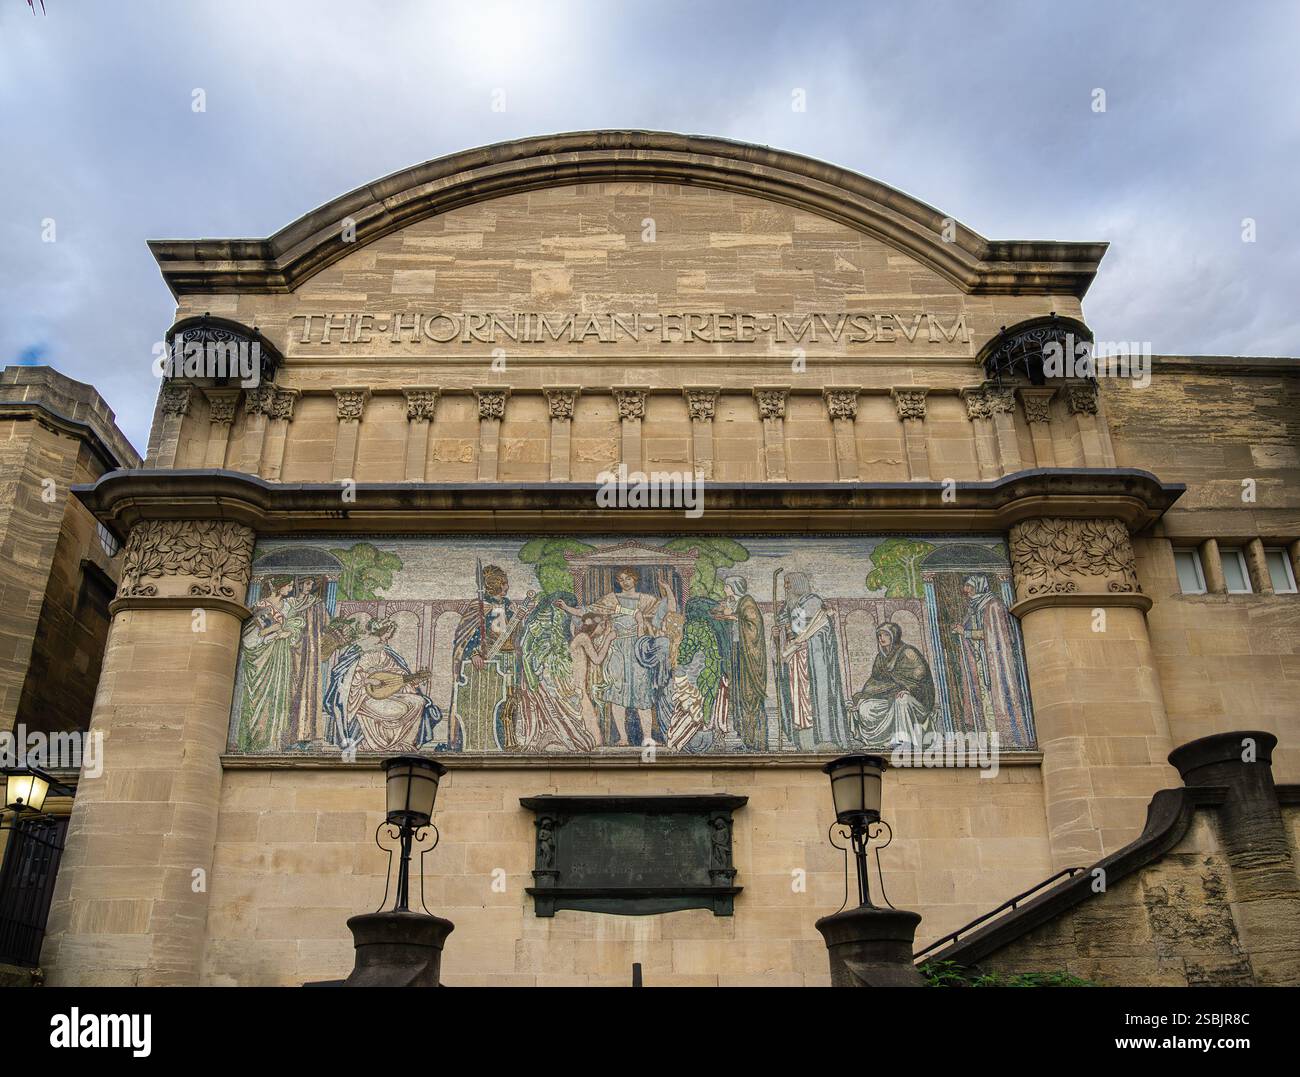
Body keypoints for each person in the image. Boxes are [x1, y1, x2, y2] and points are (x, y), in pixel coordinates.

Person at [449, 564, 536, 751]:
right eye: (504, 583)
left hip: (511, 658)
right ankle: (487, 740)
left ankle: (510, 741)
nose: (507, 586)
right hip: (490, 660)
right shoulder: (479, 606)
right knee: (490, 700)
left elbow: (513, 632)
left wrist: (519, 619)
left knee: (511, 698)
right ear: (495, 584)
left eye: (506, 583)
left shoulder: (509, 605)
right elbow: (467, 636)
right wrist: (473, 653)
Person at [324, 617, 441, 751]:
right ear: (378, 633)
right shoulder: (357, 652)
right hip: (362, 696)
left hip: (387, 694)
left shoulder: (385, 652)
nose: (386, 640)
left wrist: (411, 682)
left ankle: (405, 743)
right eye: (385, 637)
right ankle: (377, 743)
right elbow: (347, 679)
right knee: (399, 710)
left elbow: (396, 674)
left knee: (419, 702)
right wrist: (368, 680)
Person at [773, 572, 846, 749]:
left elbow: (822, 630)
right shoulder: (787, 607)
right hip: (794, 659)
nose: (786, 587)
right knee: (796, 697)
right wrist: (778, 635)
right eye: (785, 584)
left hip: (812, 659)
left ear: (798, 583)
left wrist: (808, 643)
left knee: (813, 696)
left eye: (789, 583)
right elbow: (788, 632)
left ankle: (823, 737)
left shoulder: (812, 602)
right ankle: (802, 735)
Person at [952, 574, 1027, 741]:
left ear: (979, 586)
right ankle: (989, 736)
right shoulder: (975, 607)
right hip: (979, 660)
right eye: (966, 587)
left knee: (995, 696)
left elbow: (993, 634)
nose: (966, 590)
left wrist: (966, 632)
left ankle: (1005, 737)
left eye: (970, 586)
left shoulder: (993, 605)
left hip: (993, 663)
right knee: (984, 698)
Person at [235, 578, 302, 752]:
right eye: (288, 585)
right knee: (259, 696)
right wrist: (273, 633)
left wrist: (289, 632)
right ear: (279, 586)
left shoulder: (288, 607)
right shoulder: (260, 605)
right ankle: (256, 741)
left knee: (278, 694)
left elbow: (297, 625)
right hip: (262, 655)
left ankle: (275, 741)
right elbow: (253, 634)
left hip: (280, 656)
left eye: (291, 586)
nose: (290, 588)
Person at [847, 622, 936, 748]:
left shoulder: (908, 652)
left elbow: (921, 677)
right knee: (866, 707)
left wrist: (908, 690)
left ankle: (904, 740)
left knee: (902, 700)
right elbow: (874, 681)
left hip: (915, 700)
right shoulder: (881, 657)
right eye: (879, 635)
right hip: (889, 698)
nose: (881, 638)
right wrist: (863, 697)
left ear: (894, 636)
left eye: (885, 635)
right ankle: (882, 741)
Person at [710, 576, 768, 750]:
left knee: (748, 696)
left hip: (747, 657)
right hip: (737, 653)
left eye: (727, 587)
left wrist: (733, 617)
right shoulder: (733, 601)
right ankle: (746, 741)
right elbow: (719, 611)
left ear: (734, 587)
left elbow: (754, 626)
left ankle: (756, 742)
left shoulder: (747, 602)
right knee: (737, 697)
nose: (725, 590)